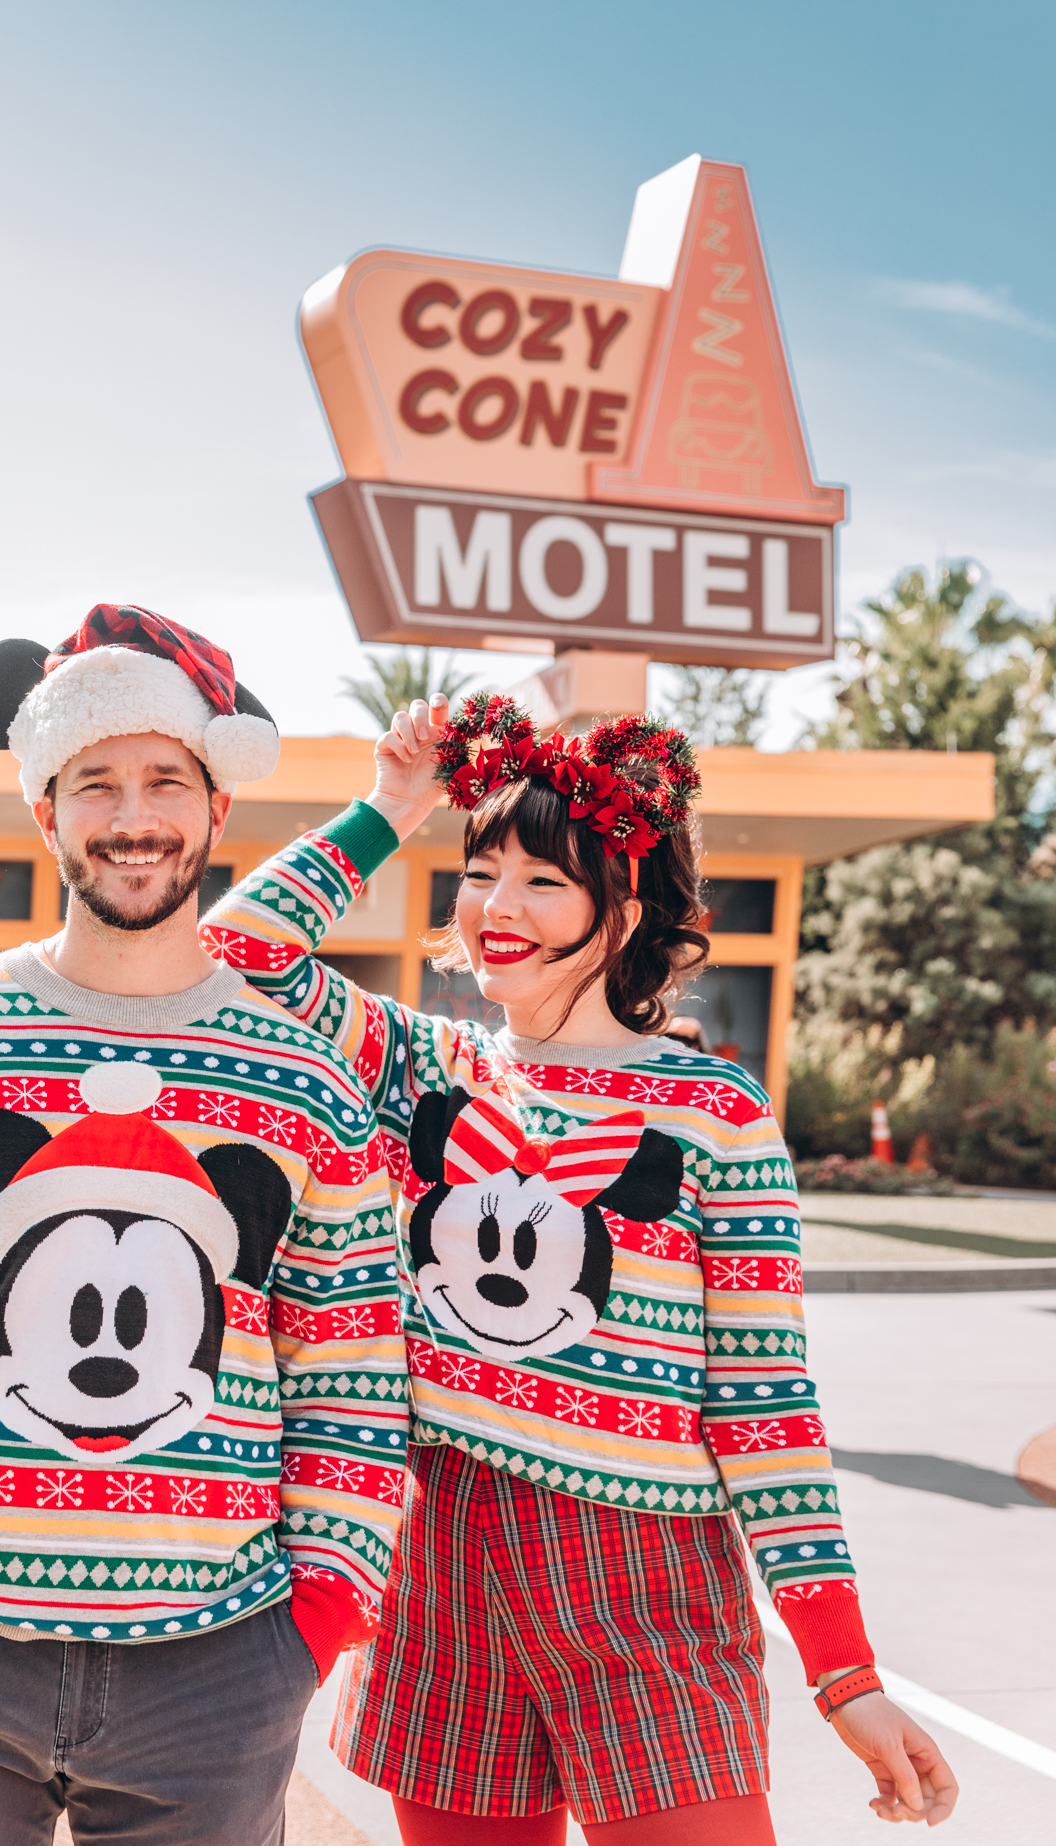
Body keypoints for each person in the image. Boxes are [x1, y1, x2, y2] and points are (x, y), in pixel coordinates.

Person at [202, 690, 959, 1842]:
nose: (496, 908)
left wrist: (842, 1675)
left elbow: (763, 1405)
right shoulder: (421, 1063)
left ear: (623, 913)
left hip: (644, 1573)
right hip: (442, 1549)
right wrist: (387, 806)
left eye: (542, 881)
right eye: (481, 871)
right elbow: (234, 956)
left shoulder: (714, 1113)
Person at [0, 604, 406, 1846]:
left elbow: (352, 1363)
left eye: (166, 777)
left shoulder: (302, 1081)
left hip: (218, 1665)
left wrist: (321, 1607)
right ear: (44, 812)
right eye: (93, 781)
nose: (132, 815)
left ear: (218, 808)